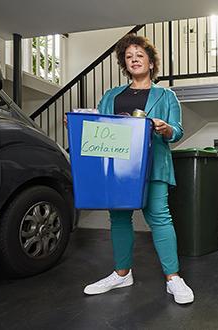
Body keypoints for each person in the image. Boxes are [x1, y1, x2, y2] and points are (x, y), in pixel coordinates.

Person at [83, 34, 194, 305]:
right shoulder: (111, 96)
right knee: (119, 218)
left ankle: (173, 278)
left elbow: (177, 130)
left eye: (139, 55)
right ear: (125, 63)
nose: (134, 59)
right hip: (119, 168)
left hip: (153, 165)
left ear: (150, 62)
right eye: (129, 56)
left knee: (159, 217)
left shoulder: (166, 96)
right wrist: (79, 124)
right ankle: (122, 273)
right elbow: (100, 128)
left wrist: (166, 128)